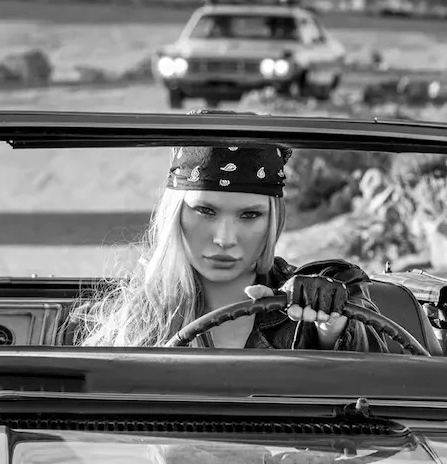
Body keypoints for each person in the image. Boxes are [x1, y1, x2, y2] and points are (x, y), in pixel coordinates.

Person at [74, 140, 415, 351]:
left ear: (273, 221)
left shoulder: (333, 285)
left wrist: (331, 327)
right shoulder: (141, 317)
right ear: (175, 216)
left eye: (249, 215)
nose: (224, 238)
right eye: (205, 211)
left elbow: (378, 382)